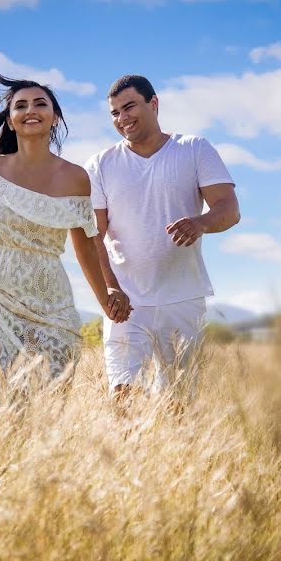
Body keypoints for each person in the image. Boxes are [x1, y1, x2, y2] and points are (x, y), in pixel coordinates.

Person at [0, 65, 129, 417]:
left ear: (55, 117)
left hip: (50, 303)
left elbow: (86, 245)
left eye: (40, 103)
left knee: (45, 404)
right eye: (21, 105)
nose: (31, 110)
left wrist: (106, 294)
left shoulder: (76, 178)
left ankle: (35, 469)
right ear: (11, 120)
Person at [84, 74, 241, 397]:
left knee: (178, 398)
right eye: (114, 113)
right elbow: (93, 235)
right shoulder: (100, 164)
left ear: (153, 104)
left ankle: (175, 449)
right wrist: (111, 287)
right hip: (126, 300)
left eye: (129, 107)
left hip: (182, 297)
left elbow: (229, 209)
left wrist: (201, 223)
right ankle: (126, 449)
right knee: (122, 393)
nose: (122, 118)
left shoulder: (193, 149)